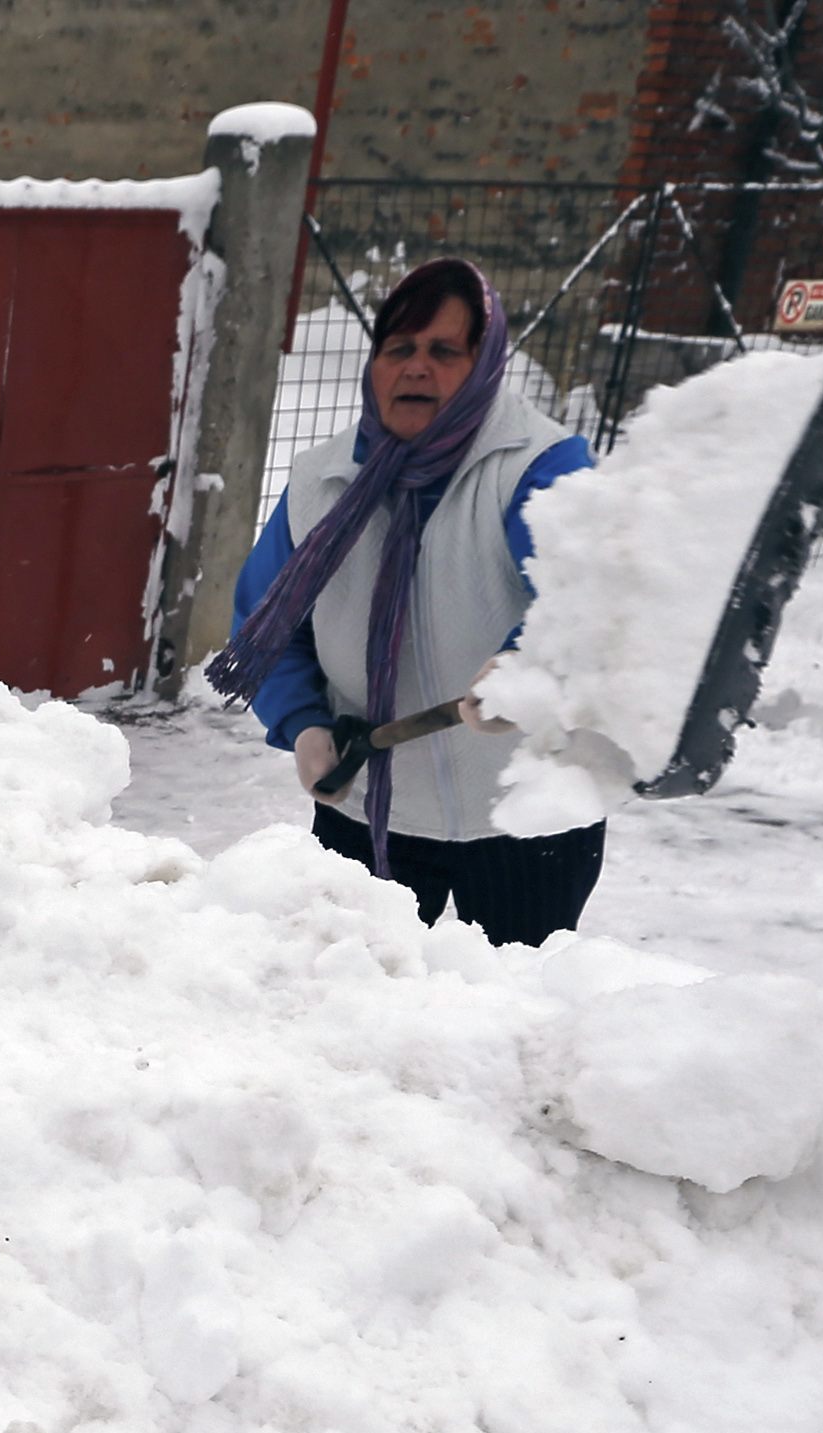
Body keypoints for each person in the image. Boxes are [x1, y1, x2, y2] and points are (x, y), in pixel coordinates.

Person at [211, 258, 601, 947]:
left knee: (508, 1014)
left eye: (444, 351)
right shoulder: (323, 482)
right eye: (399, 349)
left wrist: (526, 669)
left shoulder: (537, 466)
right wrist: (304, 725)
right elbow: (267, 627)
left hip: (525, 816)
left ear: (485, 365)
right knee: (352, 1006)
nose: (416, 368)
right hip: (367, 806)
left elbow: (587, 602)